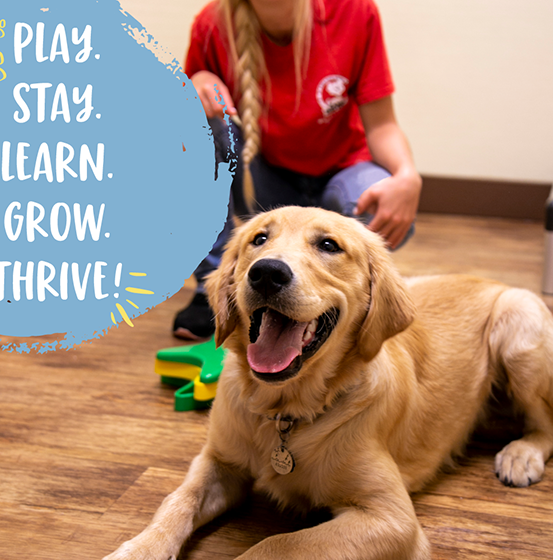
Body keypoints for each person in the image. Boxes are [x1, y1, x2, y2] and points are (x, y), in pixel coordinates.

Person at [173, 0, 422, 340]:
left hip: (342, 173)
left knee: (379, 201)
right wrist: (198, 84)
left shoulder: (355, 11)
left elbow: (381, 125)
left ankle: (341, 294)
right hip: (263, 179)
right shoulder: (212, 24)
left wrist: (407, 175)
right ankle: (213, 288)